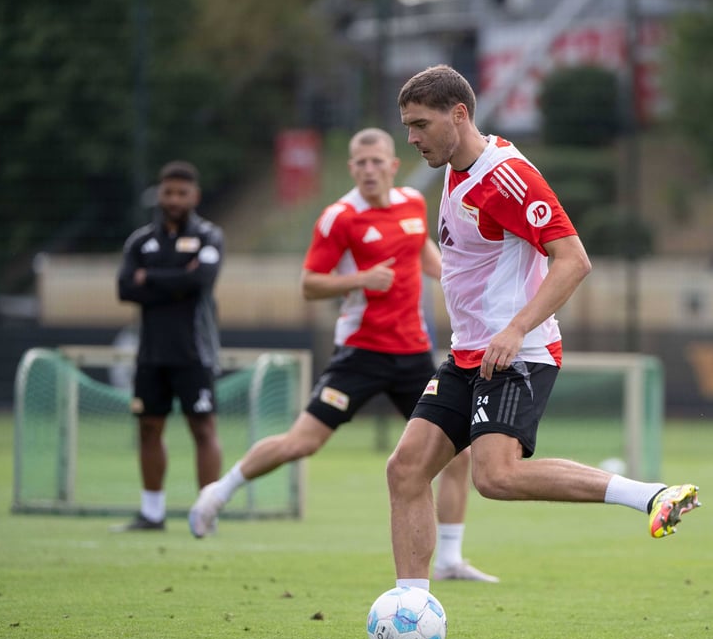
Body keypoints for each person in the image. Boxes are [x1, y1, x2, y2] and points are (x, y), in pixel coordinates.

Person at [387, 64, 701, 592]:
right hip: (469, 353)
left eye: (419, 124)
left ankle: (650, 494)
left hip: (517, 353)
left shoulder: (506, 175)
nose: (412, 137)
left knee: (496, 476)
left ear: (458, 115)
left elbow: (573, 260)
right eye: (408, 126)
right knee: (405, 470)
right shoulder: (454, 165)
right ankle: (410, 611)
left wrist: (514, 329)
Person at [188, 128, 498, 583]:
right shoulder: (339, 218)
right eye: (360, 163)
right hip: (360, 355)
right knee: (303, 442)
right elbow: (310, 284)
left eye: (377, 162)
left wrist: (456, 278)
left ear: (393, 165)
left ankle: (450, 559)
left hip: (412, 354)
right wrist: (360, 280)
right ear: (352, 169)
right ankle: (218, 492)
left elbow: (422, 252)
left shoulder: (413, 203)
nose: (369, 170)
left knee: (457, 456)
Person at [114, 160, 224, 531]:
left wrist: (152, 280)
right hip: (151, 354)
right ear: (158, 194)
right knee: (148, 428)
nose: (174, 199)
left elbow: (202, 280)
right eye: (168, 192)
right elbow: (125, 288)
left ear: (195, 196)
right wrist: (178, 277)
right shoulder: (140, 240)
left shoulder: (210, 236)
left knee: (202, 429)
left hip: (194, 352)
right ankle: (152, 512)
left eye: (182, 192)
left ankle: (206, 513)